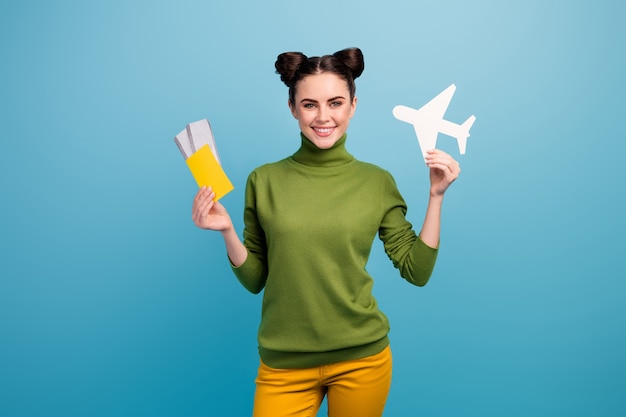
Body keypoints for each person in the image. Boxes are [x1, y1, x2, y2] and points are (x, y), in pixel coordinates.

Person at [191, 47, 460, 417]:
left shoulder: (376, 182)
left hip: (362, 360)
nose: (323, 117)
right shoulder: (264, 180)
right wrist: (226, 232)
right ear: (292, 109)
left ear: (353, 105)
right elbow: (255, 280)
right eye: (309, 105)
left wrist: (436, 196)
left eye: (335, 103)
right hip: (284, 363)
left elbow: (418, 271)